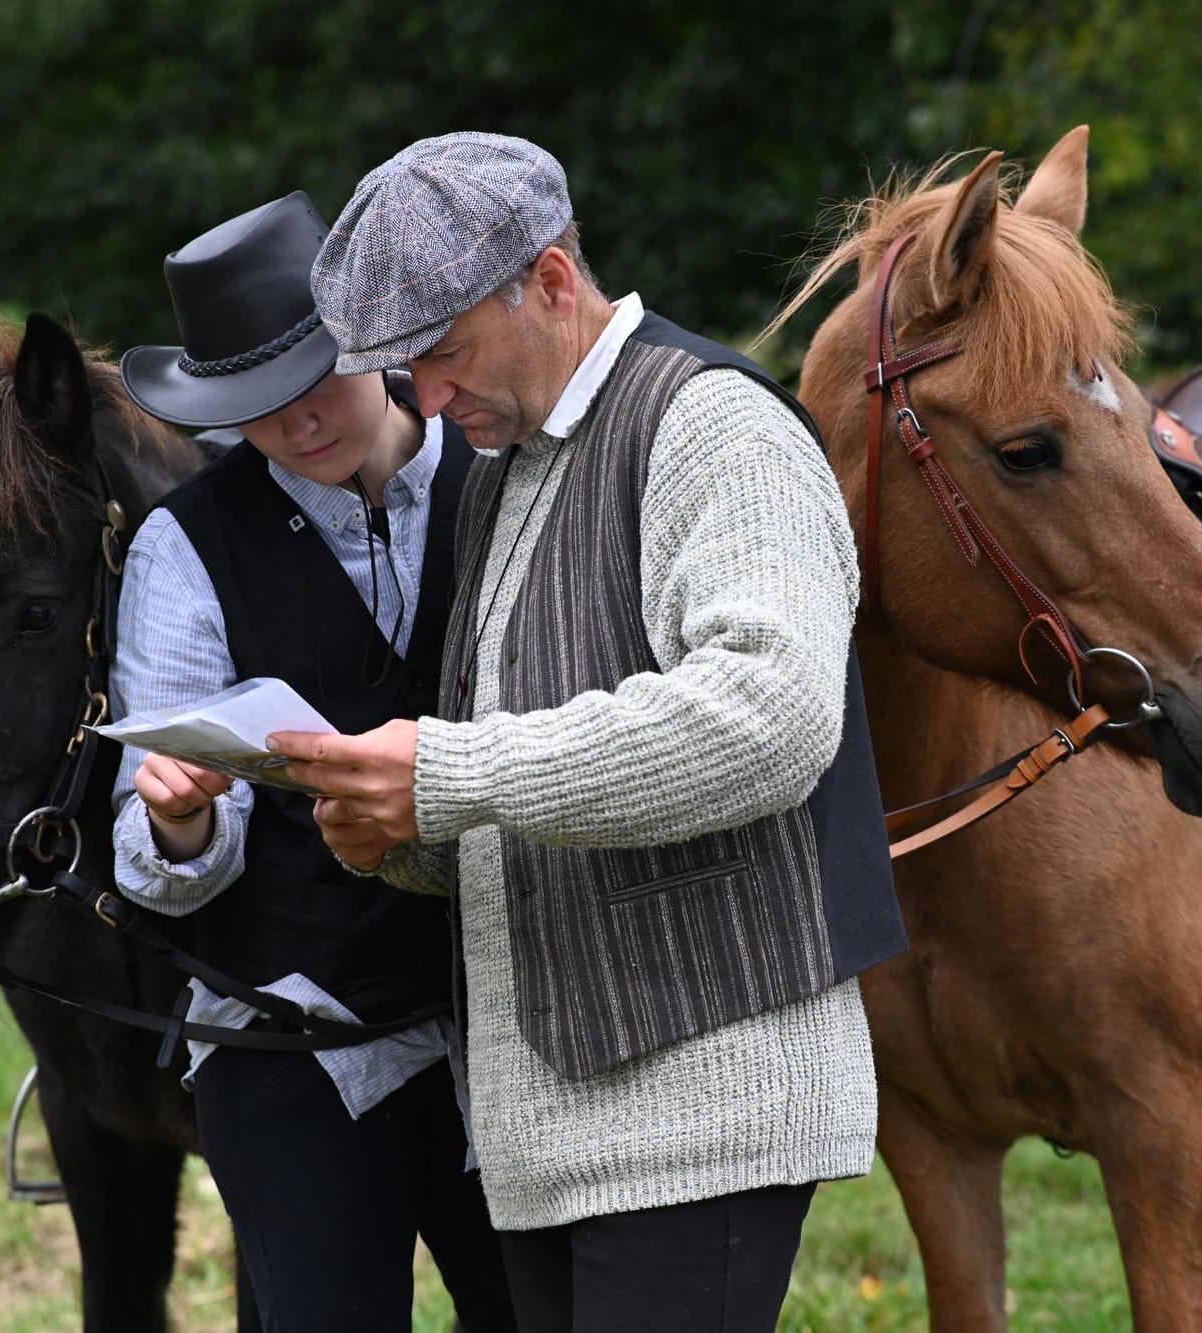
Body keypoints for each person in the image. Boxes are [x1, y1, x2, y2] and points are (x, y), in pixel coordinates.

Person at [269, 132, 909, 1333]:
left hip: (698, 1117)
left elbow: (770, 712)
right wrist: (394, 829)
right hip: (552, 1136)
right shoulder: (508, 468)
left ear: (553, 283)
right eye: (408, 372)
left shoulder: (714, 426)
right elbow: (519, 784)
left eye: (447, 355)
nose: (430, 400)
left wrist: (445, 770)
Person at [109, 191, 515, 1333]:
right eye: (254, 406)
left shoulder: (508, 475)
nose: (294, 424)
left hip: (514, 1009)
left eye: (313, 380)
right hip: (294, 1025)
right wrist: (181, 816)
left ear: (375, 344)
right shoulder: (183, 545)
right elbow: (151, 858)